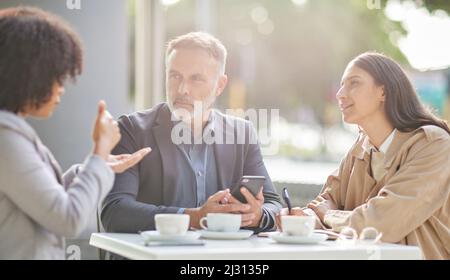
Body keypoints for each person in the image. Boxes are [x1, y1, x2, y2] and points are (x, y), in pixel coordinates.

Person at [0, 7, 150, 260]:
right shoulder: (6, 138)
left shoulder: (12, 131)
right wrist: (101, 151)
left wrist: (98, 164)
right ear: (27, 73)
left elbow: (43, 199)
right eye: (56, 77)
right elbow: (67, 219)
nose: (61, 88)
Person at [101, 32, 282, 233]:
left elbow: (273, 204)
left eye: (196, 79)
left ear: (219, 85)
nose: (183, 89)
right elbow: (114, 212)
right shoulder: (132, 129)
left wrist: (256, 215)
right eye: (175, 76)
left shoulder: (242, 134)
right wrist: (193, 218)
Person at [278, 52, 450, 260]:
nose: (340, 94)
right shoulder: (360, 148)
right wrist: (305, 217)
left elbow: (385, 222)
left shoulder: (433, 144)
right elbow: (328, 200)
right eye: (342, 85)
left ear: (384, 92)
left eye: (354, 83)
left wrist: (329, 215)